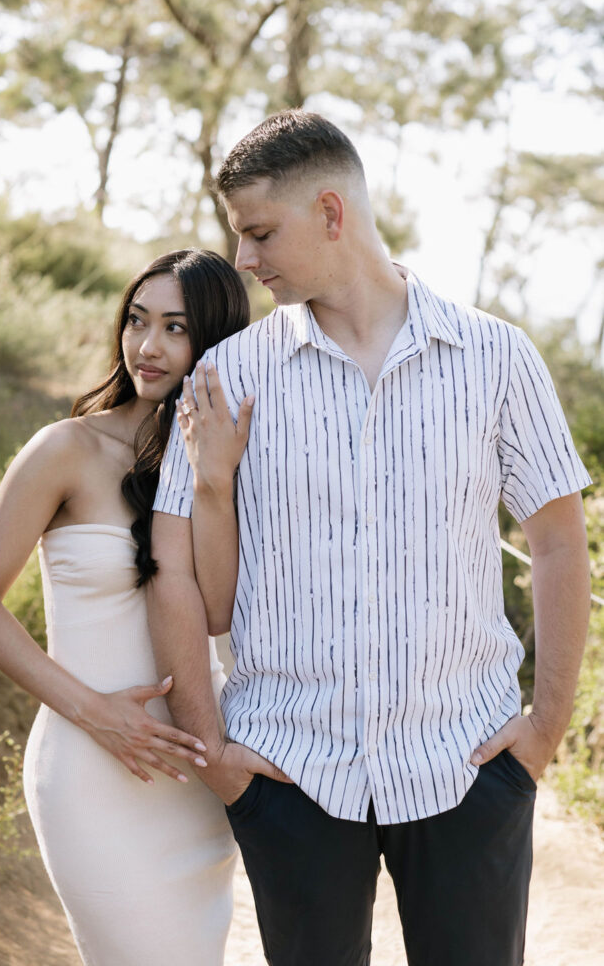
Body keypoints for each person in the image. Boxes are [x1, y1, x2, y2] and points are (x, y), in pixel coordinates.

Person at [147, 112, 593, 966]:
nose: (243, 259)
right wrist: (214, 756)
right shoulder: (227, 376)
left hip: (466, 766)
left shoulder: (498, 358)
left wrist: (543, 728)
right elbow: (176, 574)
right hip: (286, 775)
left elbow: (559, 546)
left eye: (259, 232)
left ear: (331, 211)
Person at [0, 249, 278, 966]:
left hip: (191, 777)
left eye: (174, 328)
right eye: (136, 320)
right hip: (91, 771)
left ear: (215, 342)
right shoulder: (64, 449)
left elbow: (219, 612)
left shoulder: (237, 463)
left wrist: (217, 481)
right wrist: (96, 713)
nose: (147, 346)